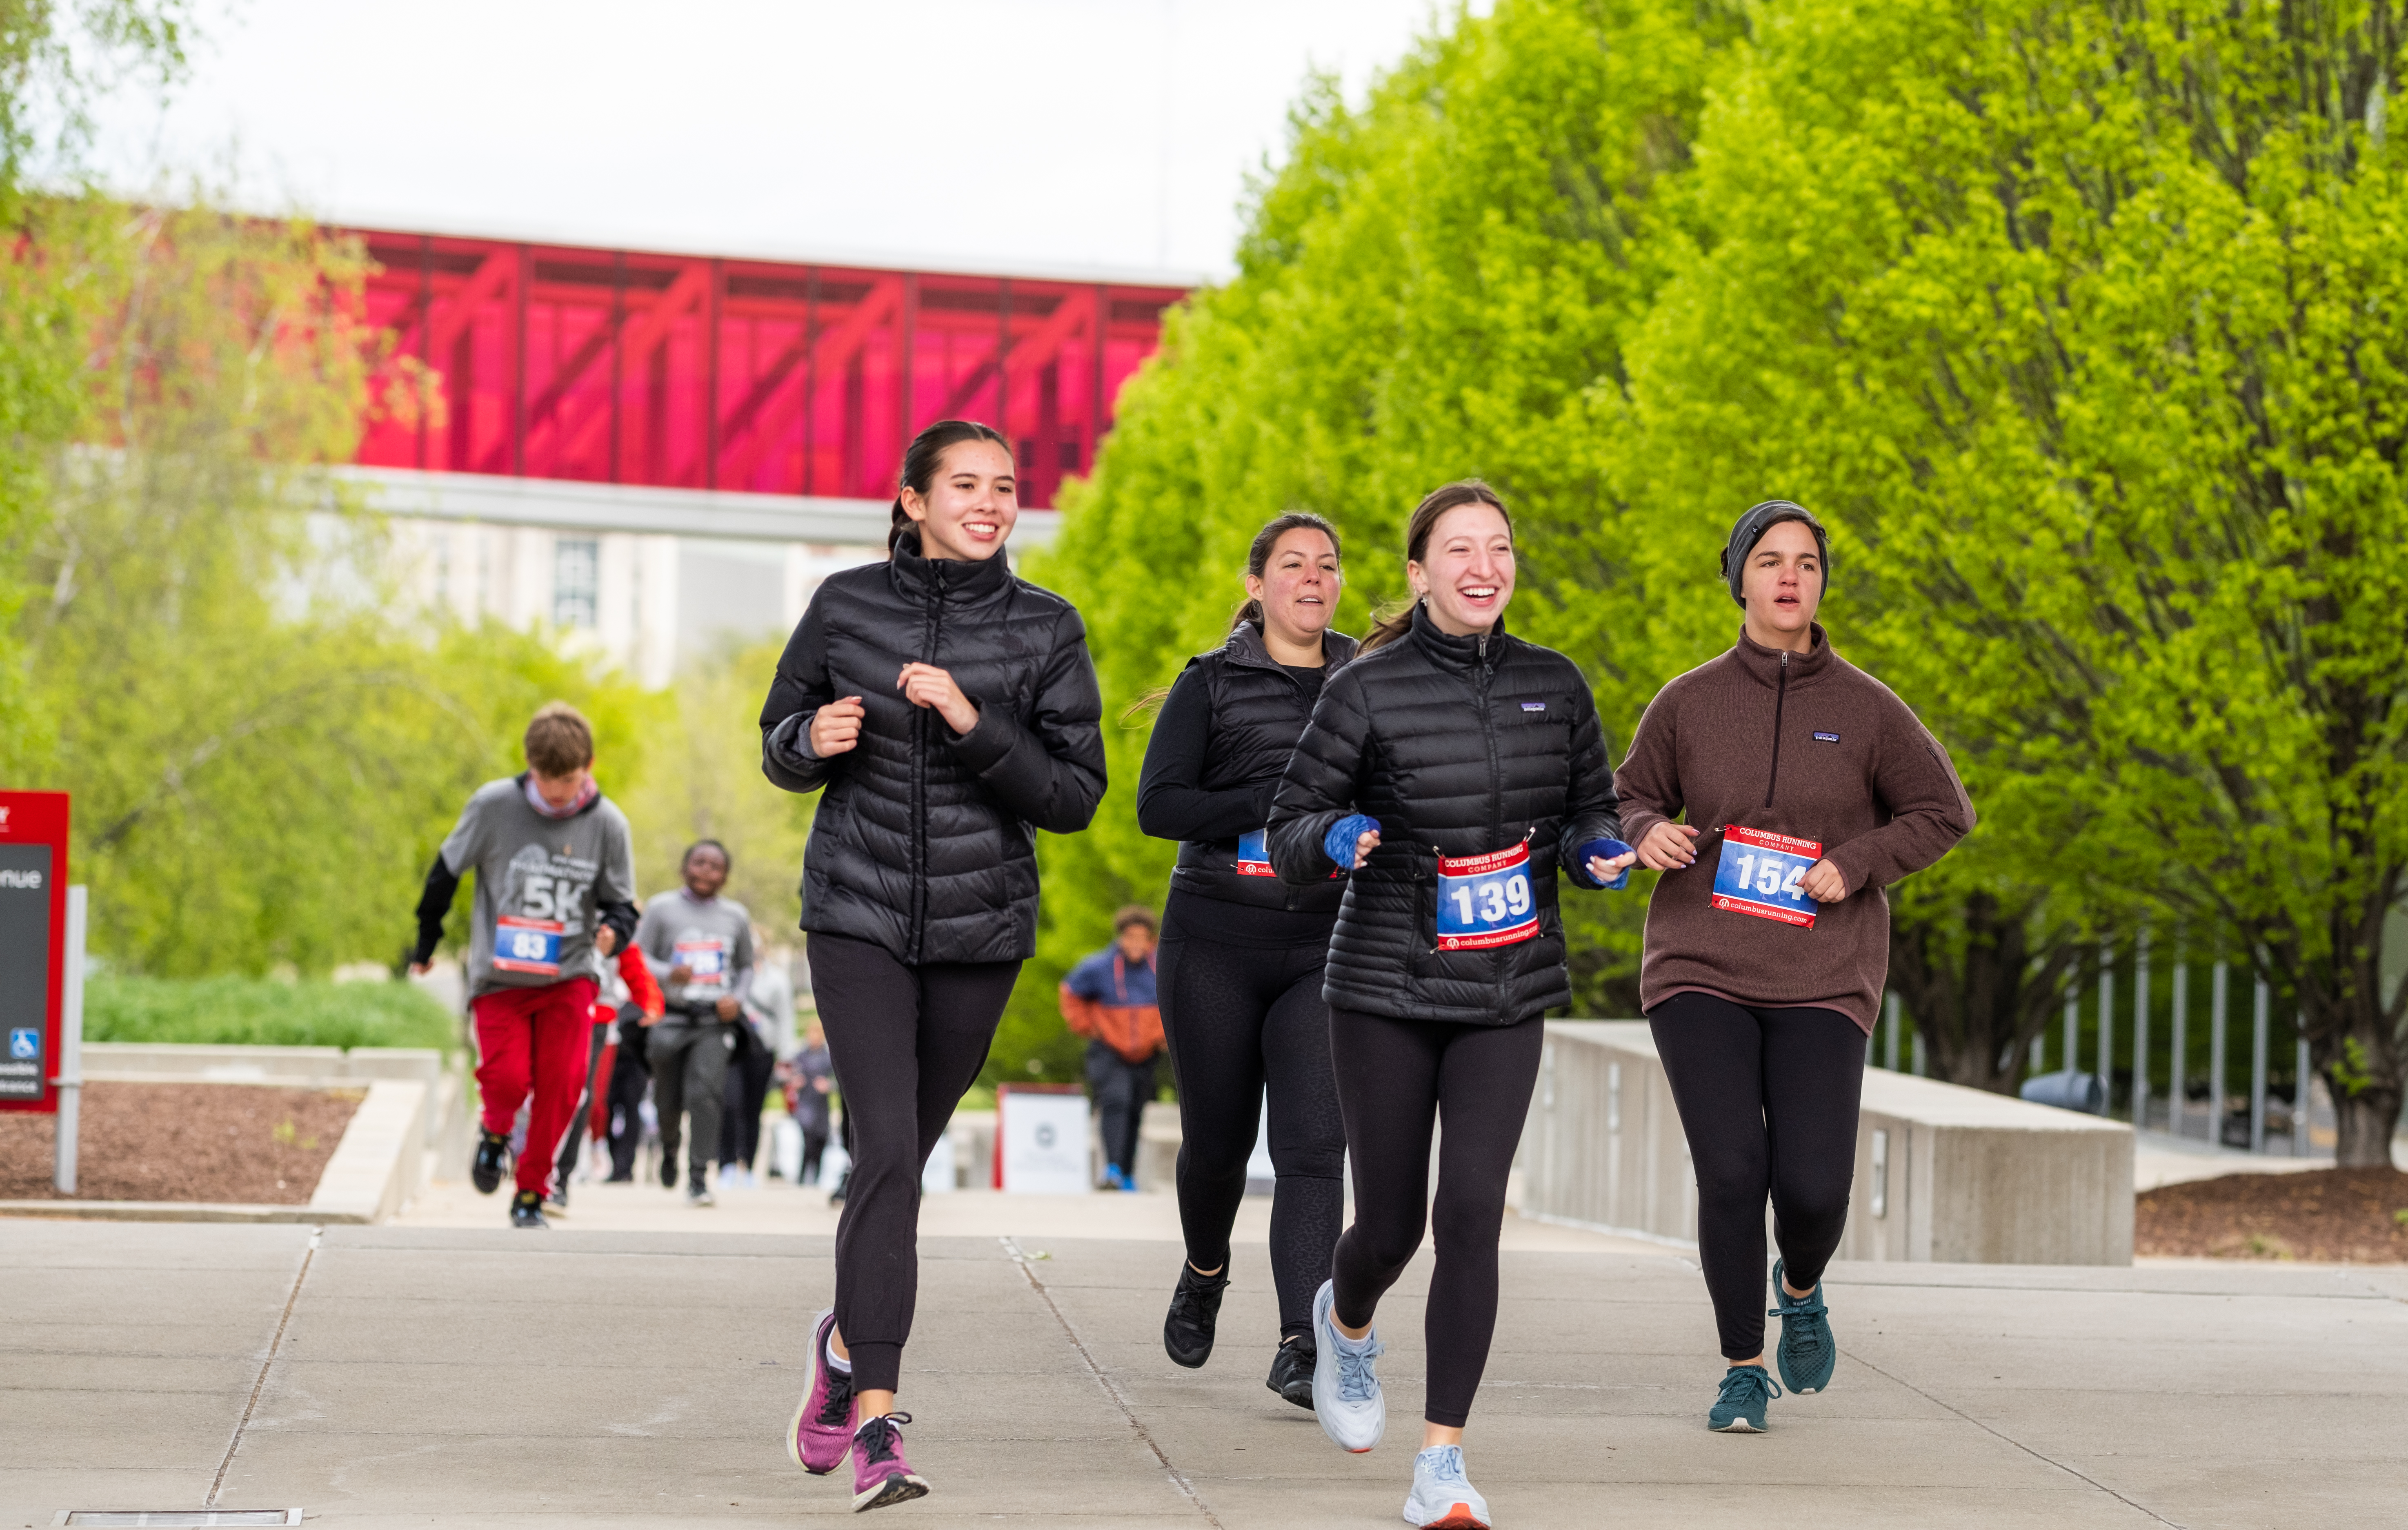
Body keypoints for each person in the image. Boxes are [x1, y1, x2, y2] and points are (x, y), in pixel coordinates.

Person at [1267, 481, 1633, 1530]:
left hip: (1505, 988)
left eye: (1500, 548)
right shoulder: (1365, 690)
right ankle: (1343, 1323)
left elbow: (1586, 809)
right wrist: (1331, 840)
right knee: (1386, 1224)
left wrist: (1597, 850)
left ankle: (1440, 1461)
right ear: (1418, 574)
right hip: (1382, 988)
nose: (1484, 566)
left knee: (1469, 1211)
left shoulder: (1554, 685)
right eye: (1458, 550)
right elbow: (1292, 818)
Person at [760, 418, 1104, 1512]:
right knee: (890, 1153)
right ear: (911, 498)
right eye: (966, 483)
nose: (991, 501)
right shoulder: (843, 604)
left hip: (979, 931)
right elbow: (777, 737)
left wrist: (970, 720)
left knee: (898, 1163)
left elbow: (1073, 797)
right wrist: (808, 743)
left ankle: (841, 1341)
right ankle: (877, 1428)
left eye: (1005, 486)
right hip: (855, 915)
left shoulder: (1047, 627)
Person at [1616, 500, 1973, 1432]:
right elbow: (1628, 798)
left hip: (1824, 972)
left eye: (1805, 563)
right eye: (1769, 561)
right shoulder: (1685, 701)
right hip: (1698, 962)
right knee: (1731, 1171)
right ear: (1736, 577)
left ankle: (1800, 1283)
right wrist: (1647, 831)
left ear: (1820, 582)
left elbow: (1942, 813)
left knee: (1810, 1187)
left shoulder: (1865, 707)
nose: (1788, 577)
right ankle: (1741, 1366)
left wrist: (1852, 864)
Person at [1134, 510, 1354, 1407]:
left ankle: (1303, 1340)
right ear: (1257, 583)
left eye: (1328, 565)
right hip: (1216, 939)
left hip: (1325, 945)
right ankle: (1204, 1265)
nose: (1313, 578)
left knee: (1311, 1148)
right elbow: (1160, 805)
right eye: (1293, 565)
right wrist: (1272, 800)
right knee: (1218, 1147)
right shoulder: (1212, 682)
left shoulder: (1366, 681)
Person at [409, 702, 639, 1230]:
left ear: (590, 765)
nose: (558, 791)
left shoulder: (608, 822)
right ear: (528, 765)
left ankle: (532, 1190)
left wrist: (614, 931)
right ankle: (494, 1130)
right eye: (547, 778)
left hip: (570, 974)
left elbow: (623, 903)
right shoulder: (493, 805)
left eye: (570, 778)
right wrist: (425, 944)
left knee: (560, 1088)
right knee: (509, 1079)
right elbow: (444, 872)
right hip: (500, 976)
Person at [636, 840, 756, 1207]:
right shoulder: (661, 908)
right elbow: (637, 954)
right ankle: (669, 1145)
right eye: (700, 863)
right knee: (667, 1099)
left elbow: (747, 967)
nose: (706, 871)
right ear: (684, 867)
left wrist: (736, 998)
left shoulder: (735, 916)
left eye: (715, 866)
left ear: (725, 876)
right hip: (670, 1017)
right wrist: (669, 972)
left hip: (711, 1021)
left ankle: (699, 1175)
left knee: (706, 1095)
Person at [1058, 906, 1165, 1191]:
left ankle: (1128, 1173)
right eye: (1130, 937)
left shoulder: (1162, 967)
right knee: (1116, 1101)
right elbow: (1069, 992)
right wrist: (1086, 1026)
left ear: (1151, 940)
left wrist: (1164, 1035)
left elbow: (1182, 1000)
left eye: (1142, 938)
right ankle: (1113, 1169)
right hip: (1108, 1049)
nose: (1136, 944)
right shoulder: (1098, 967)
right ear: (1120, 937)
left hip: (1146, 1051)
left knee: (1135, 1109)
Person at [553, 936, 663, 1204]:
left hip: (597, 1015)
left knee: (582, 1094)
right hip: (550, 1004)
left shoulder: (612, 914)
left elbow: (630, 959)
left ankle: (560, 1178)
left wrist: (648, 999)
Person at [784, 1018, 836, 1187]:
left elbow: (839, 1081)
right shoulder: (801, 1056)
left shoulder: (828, 1058)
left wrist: (829, 1086)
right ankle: (802, 1179)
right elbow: (785, 1075)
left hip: (821, 1107)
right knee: (808, 1144)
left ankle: (816, 1180)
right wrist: (794, 1081)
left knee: (821, 1143)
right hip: (806, 1107)